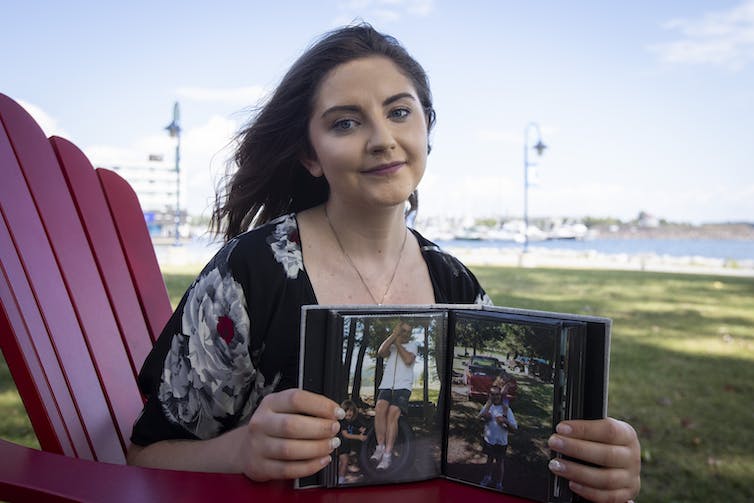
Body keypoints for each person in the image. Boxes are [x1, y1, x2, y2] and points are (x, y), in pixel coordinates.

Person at [126, 23, 641, 502]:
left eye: (399, 112)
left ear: (427, 130)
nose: (382, 139)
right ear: (311, 155)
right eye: (345, 122)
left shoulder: (454, 282)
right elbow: (144, 456)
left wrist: (597, 467)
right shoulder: (251, 272)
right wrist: (241, 452)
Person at [370, 320, 417, 470]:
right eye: (403, 330)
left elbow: (409, 360)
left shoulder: (413, 345)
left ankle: (388, 456)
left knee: (392, 414)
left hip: (403, 386)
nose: (406, 334)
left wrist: (397, 344)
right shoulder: (392, 342)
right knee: (379, 409)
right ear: (398, 330)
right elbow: (381, 352)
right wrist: (393, 336)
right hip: (387, 385)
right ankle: (380, 447)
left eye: (409, 332)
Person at [478, 383, 518, 490]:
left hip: (501, 441)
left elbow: (514, 428)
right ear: (489, 395)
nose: (495, 396)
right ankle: (487, 478)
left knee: (500, 462)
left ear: (500, 396)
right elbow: (479, 418)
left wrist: (505, 421)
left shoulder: (506, 409)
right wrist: (484, 418)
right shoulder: (488, 407)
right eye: (492, 394)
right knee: (489, 459)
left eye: (497, 394)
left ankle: (499, 483)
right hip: (489, 440)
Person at [337, 400, 368, 484]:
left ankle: (340, 477)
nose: (349, 413)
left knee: (344, 462)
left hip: (346, 445)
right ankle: (340, 480)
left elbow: (359, 427)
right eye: (346, 411)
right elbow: (345, 435)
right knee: (345, 461)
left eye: (351, 410)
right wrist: (359, 437)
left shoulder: (352, 421)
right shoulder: (342, 422)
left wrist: (362, 430)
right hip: (341, 445)